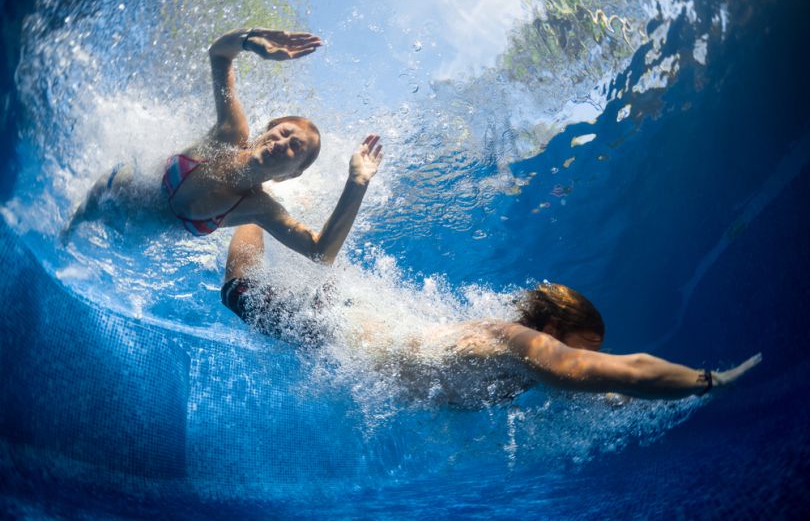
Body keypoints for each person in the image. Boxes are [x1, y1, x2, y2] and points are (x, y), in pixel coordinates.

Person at [220, 224, 762, 405]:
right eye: (583, 343)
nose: (585, 357)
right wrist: (708, 381)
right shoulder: (516, 342)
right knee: (241, 293)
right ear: (552, 331)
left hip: (358, 327)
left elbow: (615, 389)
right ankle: (254, 212)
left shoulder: (524, 366)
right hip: (335, 323)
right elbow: (629, 368)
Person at [65, 28, 383, 264]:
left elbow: (319, 252)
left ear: (290, 175)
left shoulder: (258, 207)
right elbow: (219, 54)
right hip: (116, 186)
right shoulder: (230, 133)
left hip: (141, 233)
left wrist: (357, 183)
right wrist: (252, 41)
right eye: (283, 132)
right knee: (75, 224)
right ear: (267, 131)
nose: (282, 142)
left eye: (295, 147)